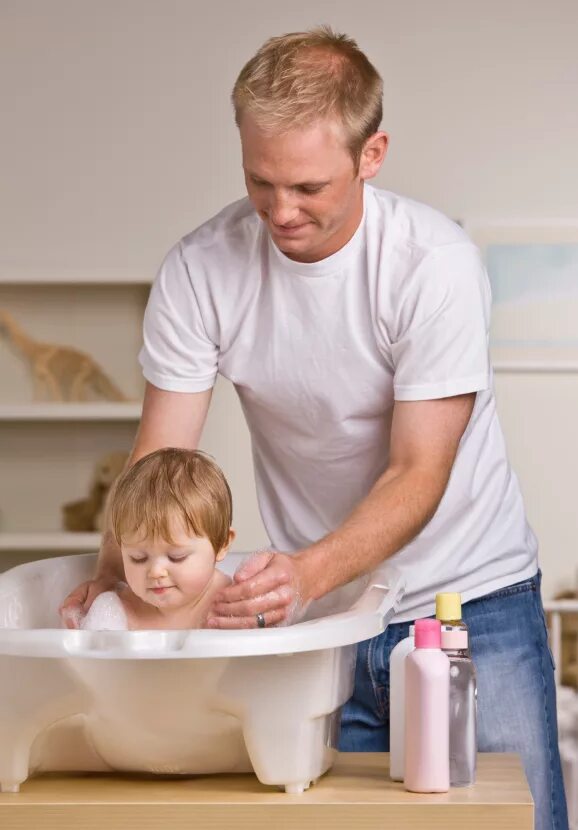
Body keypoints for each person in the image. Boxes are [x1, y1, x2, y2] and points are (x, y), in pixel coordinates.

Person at [60, 26, 568, 829]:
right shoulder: (203, 268)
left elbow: (418, 472)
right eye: (259, 182)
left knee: (511, 819)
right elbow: (159, 462)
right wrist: (113, 576)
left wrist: (305, 575)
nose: (279, 211)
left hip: (468, 600)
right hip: (317, 621)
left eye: (307, 187)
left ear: (372, 155)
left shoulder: (432, 264)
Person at [69, 448, 235, 631]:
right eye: (138, 557)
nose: (156, 572)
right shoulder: (120, 611)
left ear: (221, 543)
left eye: (176, 556)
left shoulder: (234, 606)